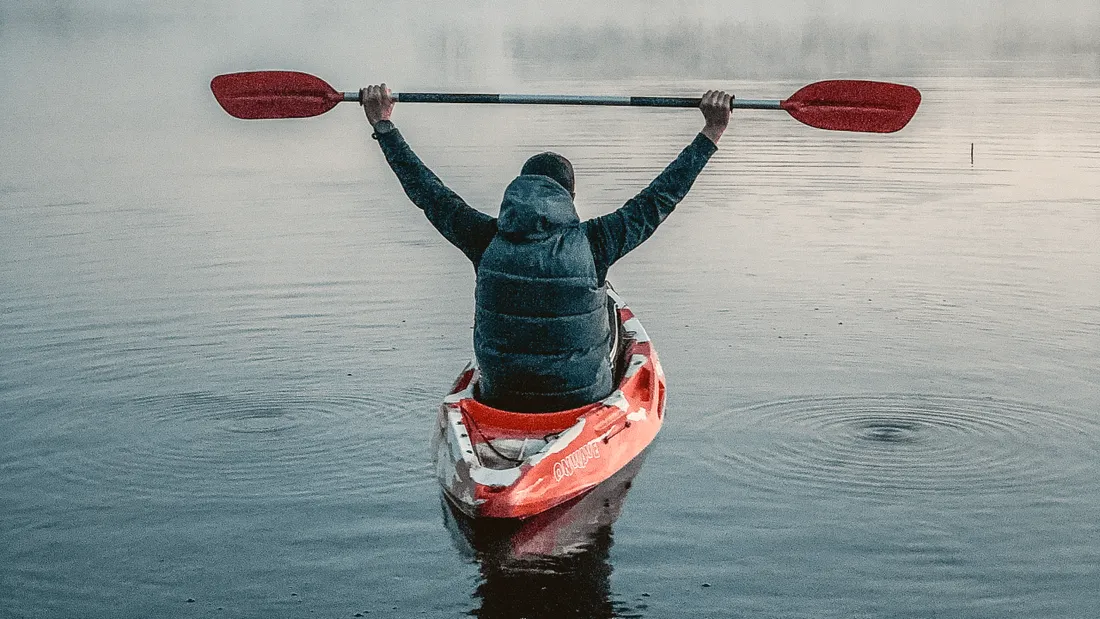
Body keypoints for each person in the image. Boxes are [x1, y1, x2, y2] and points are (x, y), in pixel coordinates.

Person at [362, 84, 732, 413]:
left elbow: (426, 191)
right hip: (581, 398)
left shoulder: (483, 238)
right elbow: (661, 197)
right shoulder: (597, 241)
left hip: (501, 397)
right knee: (610, 312)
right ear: (568, 197)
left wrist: (383, 125)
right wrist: (711, 132)